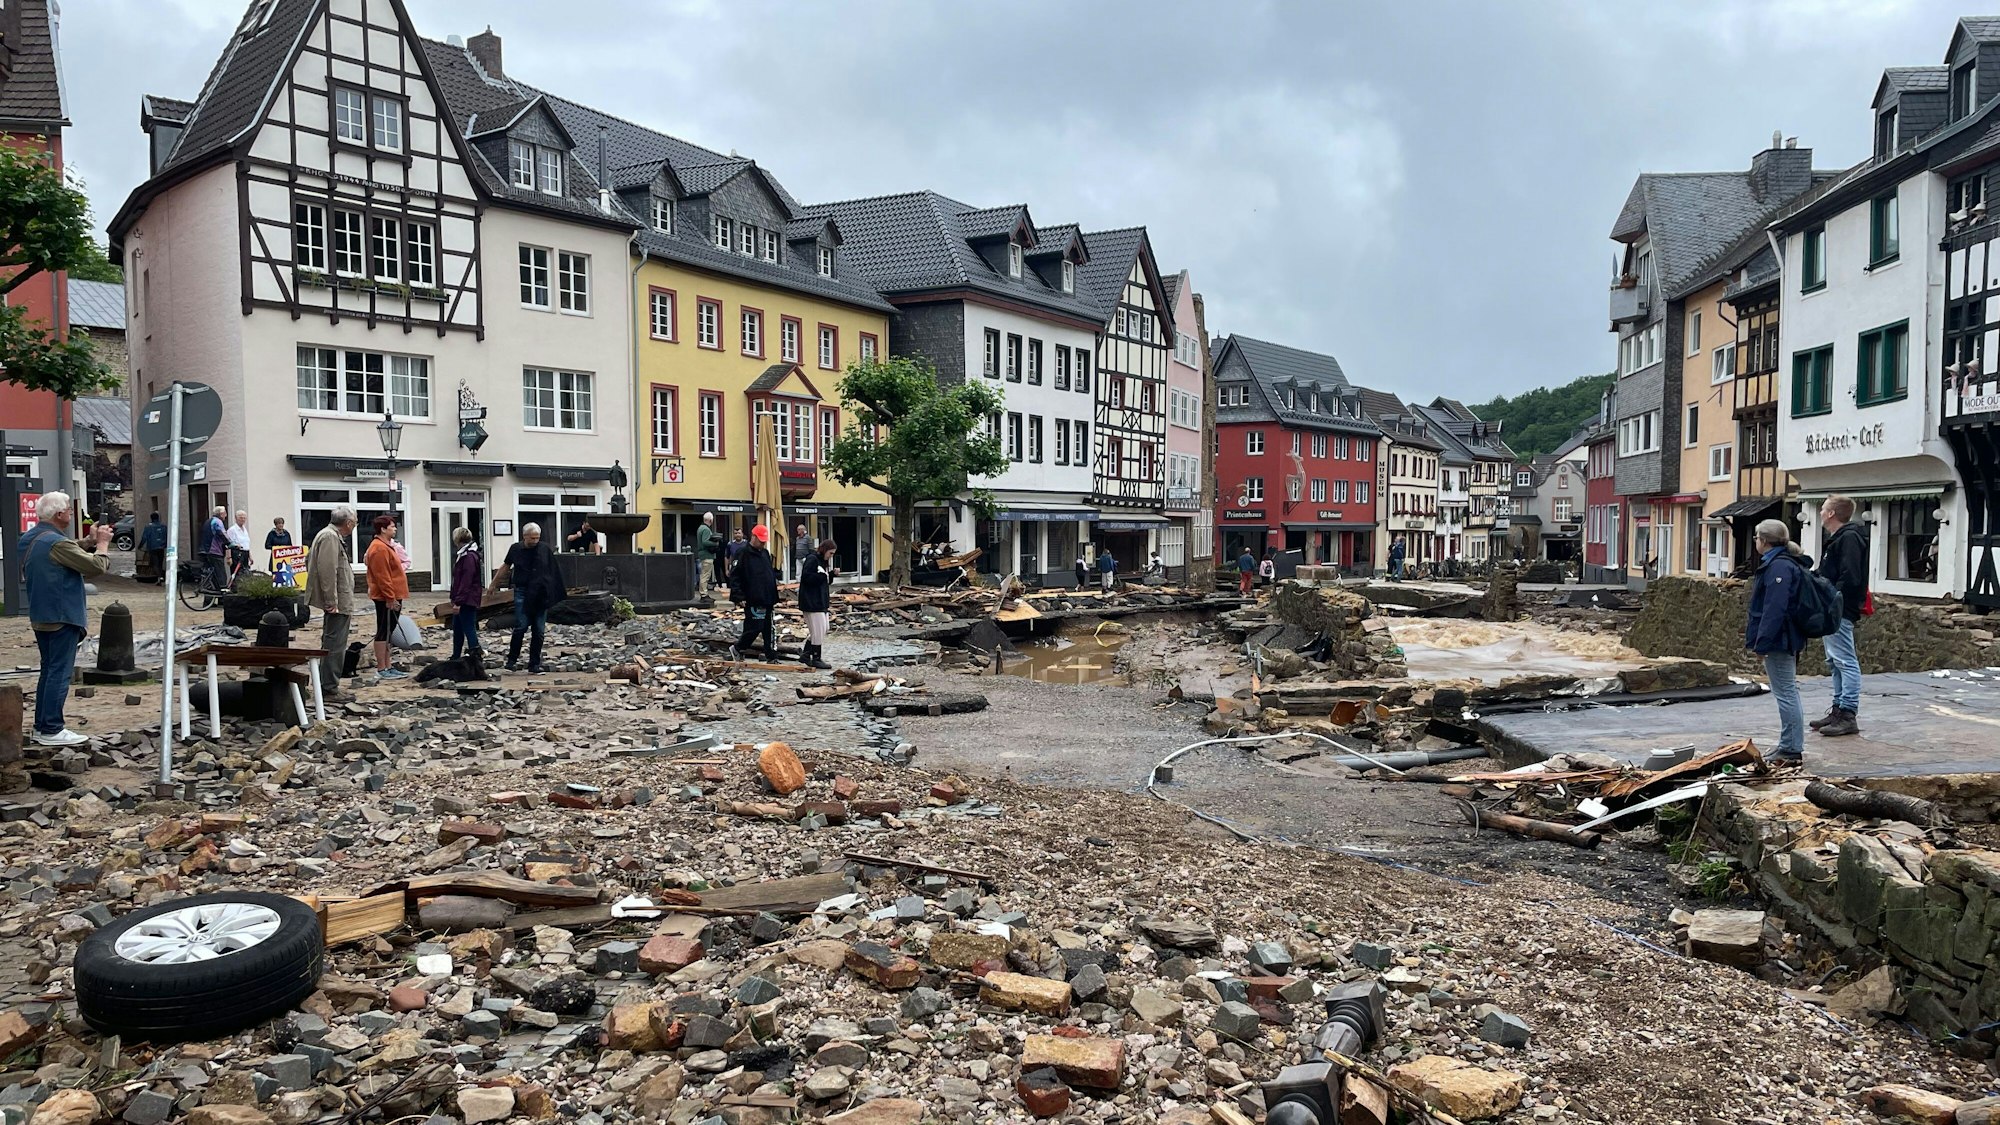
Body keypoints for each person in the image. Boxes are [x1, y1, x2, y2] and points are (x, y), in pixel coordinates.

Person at [17, 492, 112, 747]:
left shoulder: (31, 537)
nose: (71, 513)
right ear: (60, 514)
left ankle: (42, 726)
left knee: (48, 671)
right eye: (69, 510)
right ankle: (51, 728)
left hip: (41, 614)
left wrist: (88, 541)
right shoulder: (57, 544)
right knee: (59, 672)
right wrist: (101, 544)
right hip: (61, 615)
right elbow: (96, 567)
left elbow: (62, 552)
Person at [1746, 518, 1810, 763]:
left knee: (1786, 692)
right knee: (1787, 691)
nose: (1755, 543)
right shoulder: (1783, 563)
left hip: (1781, 639)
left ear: (1763, 541)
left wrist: (1762, 643)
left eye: (1756, 539)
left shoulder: (1778, 567)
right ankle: (1789, 744)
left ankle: (1791, 748)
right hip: (1785, 637)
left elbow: (1775, 608)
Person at [1815, 495, 1869, 738]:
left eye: (1823, 509)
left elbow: (1850, 575)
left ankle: (1847, 712)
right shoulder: (1840, 538)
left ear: (1831, 514)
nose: (1819, 513)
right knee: (1834, 660)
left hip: (1840, 608)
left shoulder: (1848, 538)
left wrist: (1834, 597)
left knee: (1845, 660)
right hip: (1834, 606)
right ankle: (1838, 709)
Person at [488, 523, 564, 673]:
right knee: (521, 626)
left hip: (540, 593)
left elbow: (553, 571)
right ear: (524, 536)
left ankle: (534, 663)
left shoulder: (544, 549)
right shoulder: (516, 549)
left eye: (537, 538)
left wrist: (553, 592)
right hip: (522, 591)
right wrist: (493, 584)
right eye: (532, 538)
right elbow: (505, 566)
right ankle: (512, 660)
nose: (535, 541)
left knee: (539, 630)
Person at [304, 506, 357, 700]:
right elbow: (328, 570)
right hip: (339, 601)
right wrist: (331, 600)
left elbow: (308, 559)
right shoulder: (330, 537)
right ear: (348, 523)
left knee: (331, 641)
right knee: (335, 644)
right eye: (355, 522)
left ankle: (325, 685)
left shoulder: (326, 535)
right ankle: (329, 688)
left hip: (339, 598)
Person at [364, 515, 408, 680]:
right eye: (392, 526)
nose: (395, 529)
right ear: (383, 529)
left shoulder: (385, 546)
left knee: (389, 631)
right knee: (383, 630)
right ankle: (382, 667)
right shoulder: (379, 548)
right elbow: (383, 577)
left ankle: (388, 665)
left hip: (391, 595)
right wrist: (390, 598)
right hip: (385, 597)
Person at [730, 524, 780, 661]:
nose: (763, 543)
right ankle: (738, 648)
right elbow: (735, 576)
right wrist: (738, 595)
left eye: (764, 541)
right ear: (753, 537)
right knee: (754, 627)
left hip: (767, 597)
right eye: (760, 541)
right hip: (753, 597)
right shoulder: (742, 553)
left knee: (769, 629)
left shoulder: (765, 553)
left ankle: (771, 655)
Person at [798, 538, 838, 670]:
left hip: (820, 601)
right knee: (819, 630)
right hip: (812, 601)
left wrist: (830, 575)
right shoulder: (812, 559)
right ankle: (816, 657)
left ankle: (806, 653)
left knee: (823, 628)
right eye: (830, 553)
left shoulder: (822, 562)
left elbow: (824, 581)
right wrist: (823, 576)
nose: (831, 556)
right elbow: (806, 577)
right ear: (825, 550)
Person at [448, 526, 485, 663]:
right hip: (466, 598)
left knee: (468, 627)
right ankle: (456, 656)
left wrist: (458, 601)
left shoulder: (468, 556)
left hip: (467, 599)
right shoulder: (466, 554)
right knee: (458, 627)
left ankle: (476, 656)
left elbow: (466, 581)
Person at [201, 505, 230, 591]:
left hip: (205, 550)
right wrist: (231, 544)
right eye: (225, 513)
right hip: (214, 551)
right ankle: (223, 595)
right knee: (221, 574)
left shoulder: (208, 521)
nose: (226, 515)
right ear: (221, 514)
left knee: (212, 575)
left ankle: (209, 600)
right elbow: (222, 534)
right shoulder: (217, 522)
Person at [695, 512, 719, 595]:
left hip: (702, 554)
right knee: (706, 575)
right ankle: (704, 593)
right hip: (707, 554)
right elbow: (705, 542)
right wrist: (715, 543)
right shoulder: (706, 529)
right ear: (711, 520)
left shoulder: (700, 528)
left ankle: (702, 592)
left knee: (703, 575)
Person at [139, 512, 168, 580]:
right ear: (158, 518)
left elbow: (144, 537)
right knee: (160, 563)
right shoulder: (163, 526)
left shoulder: (148, 527)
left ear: (151, 518)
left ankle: (159, 577)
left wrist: (140, 546)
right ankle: (160, 576)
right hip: (161, 547)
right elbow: (166, 536)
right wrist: (165, 544)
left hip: (152, 547)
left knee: (155, 563)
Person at [226, 510, 253, 578]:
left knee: (245, 573)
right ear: (236, 518)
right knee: (236, 573)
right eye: (240, 517)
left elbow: (246, 544)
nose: (243, 519)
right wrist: (229, 557)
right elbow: (228, 544)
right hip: (237, 553)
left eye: (244, 518)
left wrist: (250, 556)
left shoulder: (245, 530)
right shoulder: (232, 530)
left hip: (245, 553)